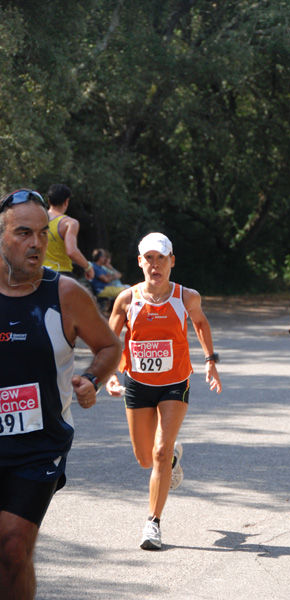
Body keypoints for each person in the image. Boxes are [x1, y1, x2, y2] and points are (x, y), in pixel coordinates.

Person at [0, 189, 122, 599]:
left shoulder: (65, 294)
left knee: (14, 549)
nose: (35, 243)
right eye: (22, 233)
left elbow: (109, 346)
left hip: (39, 445)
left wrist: (91, 379)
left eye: (41, 234)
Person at [106, 232, 222, 550]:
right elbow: (110, 340)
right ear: (140, 262)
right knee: (145, 458)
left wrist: (210, 361)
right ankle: (171, 458)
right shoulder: (127, 300)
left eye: (161, 258)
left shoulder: (186, 297)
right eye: (149, 258)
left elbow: (200, 324)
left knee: (158, 451)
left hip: (174, 383)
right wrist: (108, 376)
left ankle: (153, 524)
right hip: (137, 384)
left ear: (172, 262)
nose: (155, 265)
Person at [43, 183, 94, 280]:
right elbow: (71, 251)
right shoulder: (69, 223)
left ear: (49, 201)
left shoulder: (38, 219)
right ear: (66, 201)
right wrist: (88, 267)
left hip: (39, 273)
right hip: (60, 273)